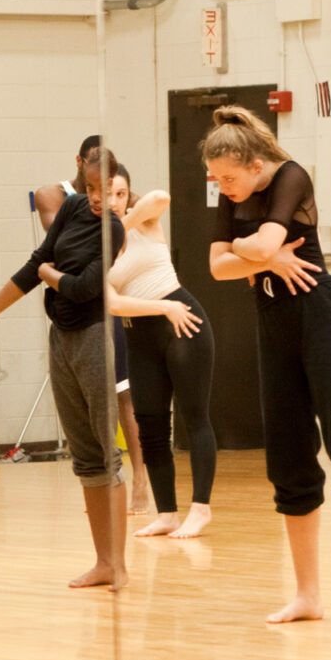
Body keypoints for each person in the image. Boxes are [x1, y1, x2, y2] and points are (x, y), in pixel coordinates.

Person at [204, 105, 331, 631]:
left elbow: (249, 247)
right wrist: (266, 257)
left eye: (231, 178)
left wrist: (256, 250)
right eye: (216, 179)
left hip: (321, 313)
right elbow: (216, 267)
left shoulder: (291, 175)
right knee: (288, 457)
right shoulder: (230, 192)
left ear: (256, 163)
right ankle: (307, 593)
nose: (224, 187)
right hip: (273, 320)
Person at [0, 150, 127, 590]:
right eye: (90, 190)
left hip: (93, 336)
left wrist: (51, 273)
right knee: (85, 455)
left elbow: (85, 288)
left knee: (107, 452)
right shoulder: (70, 209)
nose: (98, 200)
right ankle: (102, 562)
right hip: (61, 338)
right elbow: (34, 268)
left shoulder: (116, 229)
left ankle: (120, 564)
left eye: (108, 191)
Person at [36, 135, 151, 514]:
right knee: (86, 410)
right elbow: (67, 249)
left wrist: (125, 212)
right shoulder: (57, 196)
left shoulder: (119, 197)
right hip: (74, 309)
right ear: (80, 162)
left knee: (124, 393)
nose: (102, 194)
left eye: (111, 185)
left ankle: (139, 481)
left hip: (108, 302)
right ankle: (101, 485)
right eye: (92, 179)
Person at [104, 166, 218, 539]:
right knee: (150, 426)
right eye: (107, 195)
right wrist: (160, 309)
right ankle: (167, 512)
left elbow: (159, 198)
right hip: (143, 331)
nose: (114, 201)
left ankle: (200, 508)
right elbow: (114, 304)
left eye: (120, 193)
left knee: (194, 416)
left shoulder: (144, 222)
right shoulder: (96, 247)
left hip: (182, 322)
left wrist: (123, 223)